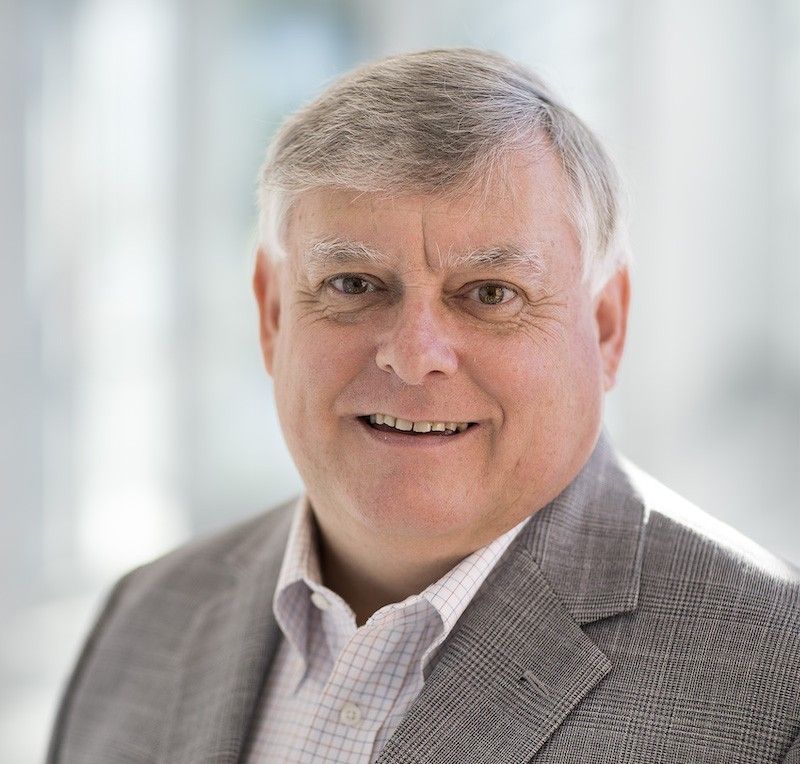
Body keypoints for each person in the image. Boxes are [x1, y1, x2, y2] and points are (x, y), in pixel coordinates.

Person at [47, 48, 799, 764]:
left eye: (490, 294)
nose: (412, 354)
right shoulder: (143, 617)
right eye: (353, 284)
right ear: (273, 314)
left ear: (604, 327)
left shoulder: (777, 682)